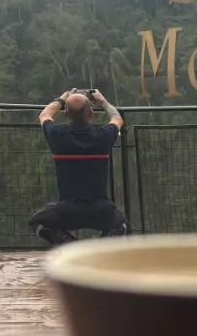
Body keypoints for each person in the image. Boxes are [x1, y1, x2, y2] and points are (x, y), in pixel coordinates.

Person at [29, 88, 128, 246]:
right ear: (90, 114)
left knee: (37, 222)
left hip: (67, 210)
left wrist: (63, 97)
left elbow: (45, 114)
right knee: (121, 223)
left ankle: (71, 246)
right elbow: (117, 118)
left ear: (66, 114)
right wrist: (102, 100)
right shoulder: (103, 135)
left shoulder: (57, 134)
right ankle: (101, 248)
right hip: (99, 209)